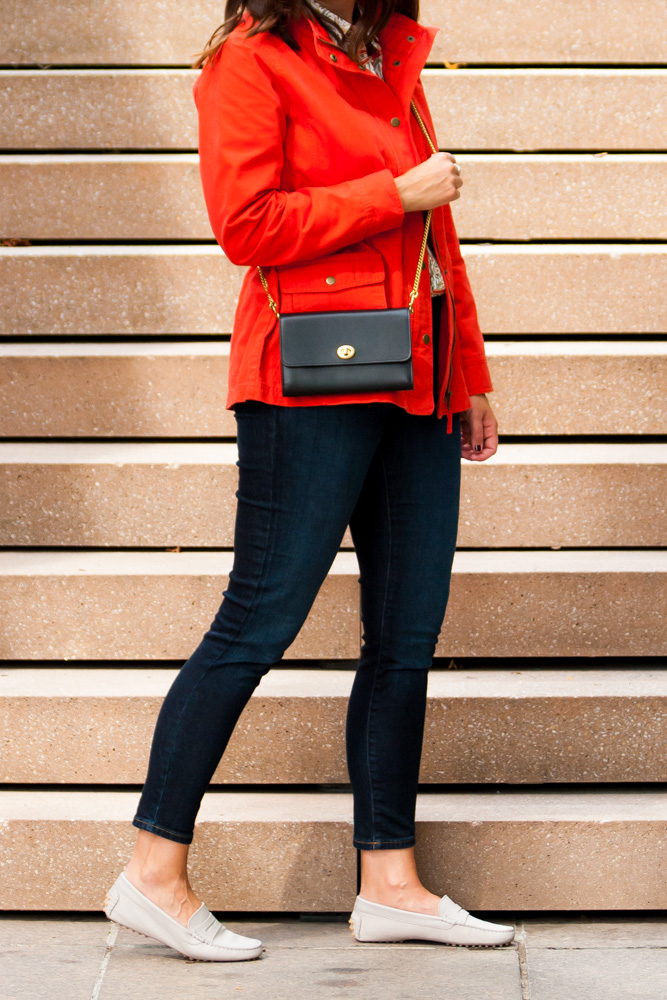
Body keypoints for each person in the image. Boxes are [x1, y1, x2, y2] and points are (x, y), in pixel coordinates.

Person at [103, 0, 514, 960]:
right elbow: (246, 225)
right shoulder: (252, 61)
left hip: (417, 377)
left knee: (406, 634)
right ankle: (152, 872)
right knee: (258, 619)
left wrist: (473, 371)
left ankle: (390, 882)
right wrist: (391, 193)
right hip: (304, 377)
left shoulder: (387, 51)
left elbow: (434, 241)